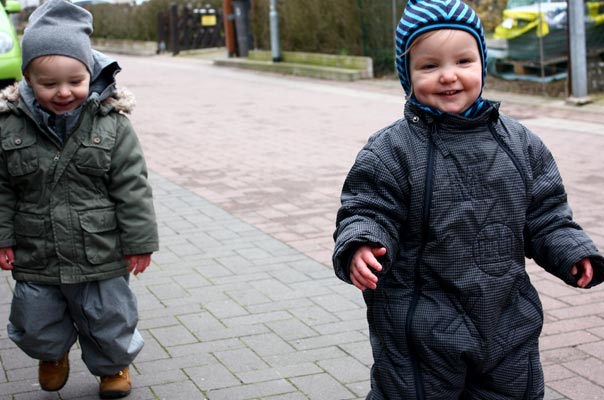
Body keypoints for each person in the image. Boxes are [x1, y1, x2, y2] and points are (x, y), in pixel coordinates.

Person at [332, 0, 604, 398]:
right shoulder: (391, 150)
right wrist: (361, 244)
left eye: (463, 61)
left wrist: (572, 251)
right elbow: (367, 208)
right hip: (420, 329)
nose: (448, 76)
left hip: (506, 322)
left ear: (482, 63)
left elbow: (546, 215)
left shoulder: (521, 144)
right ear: (406, 74)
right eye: (429, 66)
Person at [0, 0, 158, 398]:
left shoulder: (112, 124)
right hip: (37, 249)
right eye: (48, 84)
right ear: (27, 81)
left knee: (108, 316)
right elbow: (1, 187)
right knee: (36, 319)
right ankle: (51, 355)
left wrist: (139, 243)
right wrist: (3, 236)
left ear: (90, 72)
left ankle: (112, 367)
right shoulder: (8, 126)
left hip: (100, 249)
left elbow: (133, 187)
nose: (64, 92)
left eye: (75, 80)